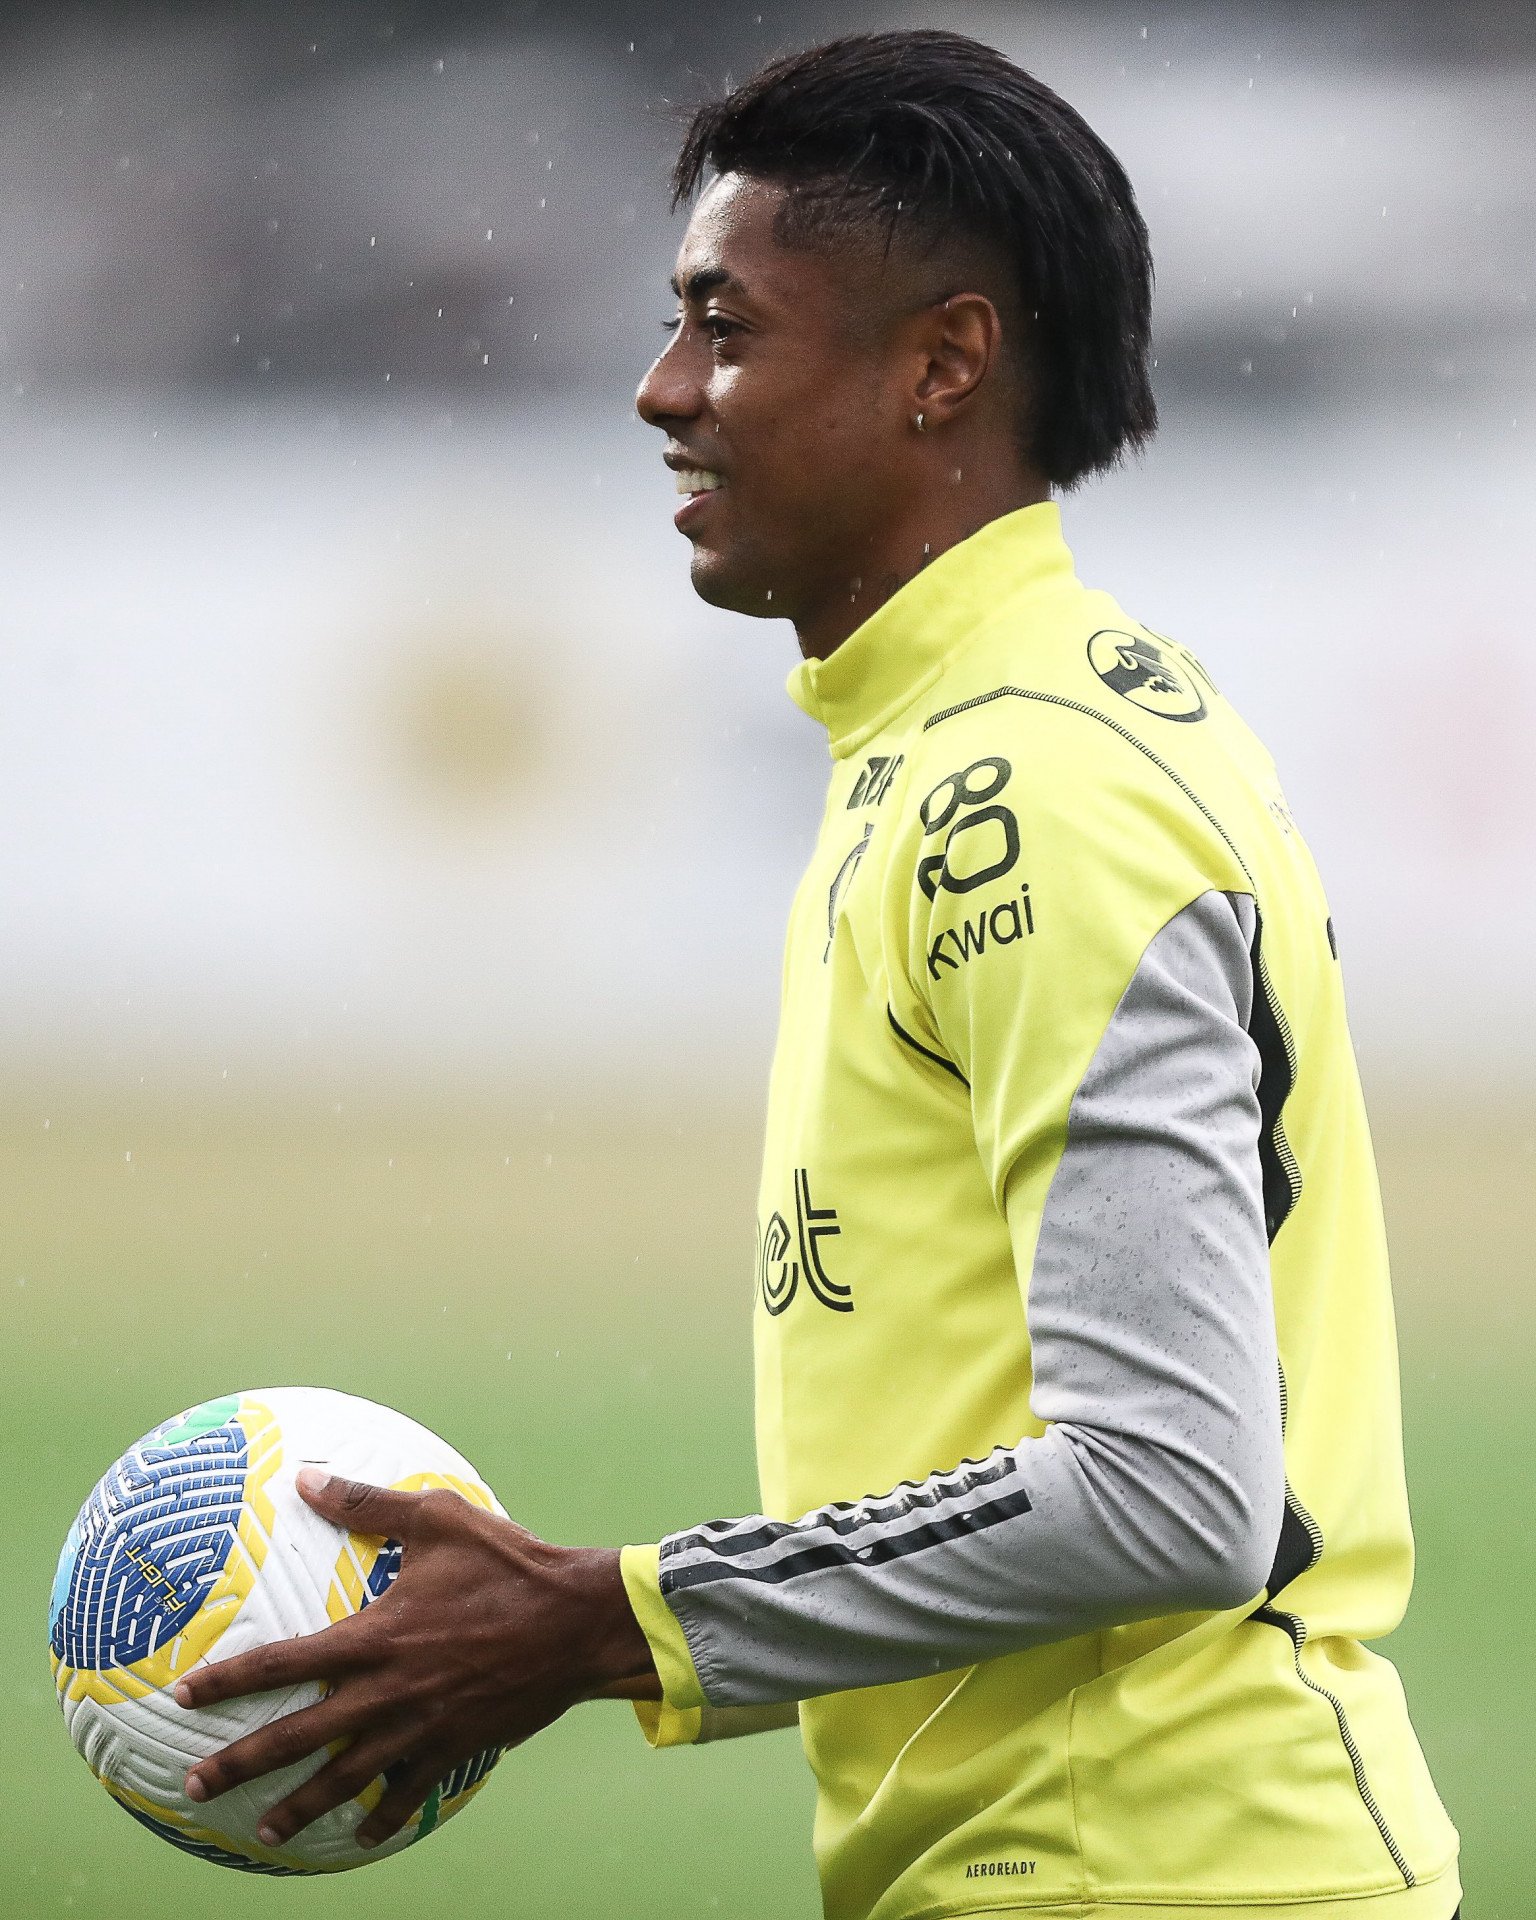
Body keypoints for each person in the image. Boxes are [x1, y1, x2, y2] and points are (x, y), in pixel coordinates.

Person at [174, 31, 1461, 1920]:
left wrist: (605, 1620)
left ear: (944, 365)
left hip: (1146, 1870)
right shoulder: (969, 738)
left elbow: (1174, 1486)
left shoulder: (1033, 795)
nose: (661, 389)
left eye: (727, 327)